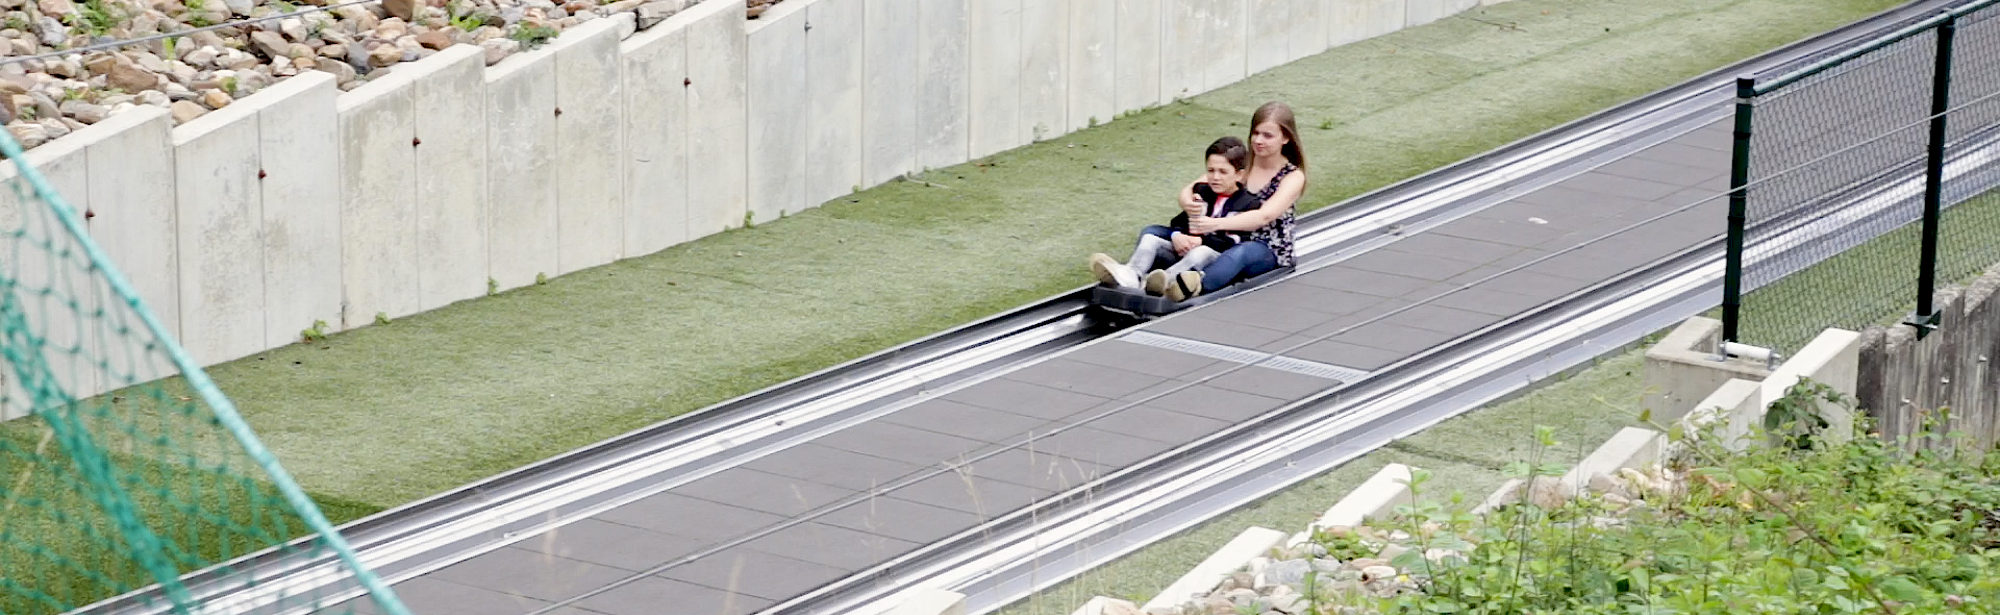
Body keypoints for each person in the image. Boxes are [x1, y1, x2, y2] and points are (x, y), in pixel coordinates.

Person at [1088, 136, 1263, 300]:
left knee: (1200, 252)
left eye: (1223, 172)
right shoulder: (1202, 192)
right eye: (1211, 170)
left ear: (1239, 174)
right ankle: (1132, 274)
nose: (1215, 177)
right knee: (1151, 238)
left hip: (1214, 257)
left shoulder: (1248, 203)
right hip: (1187, 249)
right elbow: (1180, 221)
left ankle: (1167, 281)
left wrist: (1202, 242)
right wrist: (1177, 236)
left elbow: (1235, 244)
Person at [1170, 101, 1308, 299]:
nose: (1259, 140)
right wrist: (1189, 204)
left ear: (1285, 138)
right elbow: (1190, 189)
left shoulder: (1292, 176)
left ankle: (1192, 287)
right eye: (1256, 133)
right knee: (1157, 232)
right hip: (1225, 239)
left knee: (1240, 254)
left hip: (1265, 247)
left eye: (1268, 135)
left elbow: (1263, 216)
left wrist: (1214, 223)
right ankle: (1135, 276)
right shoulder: (1242, 165)